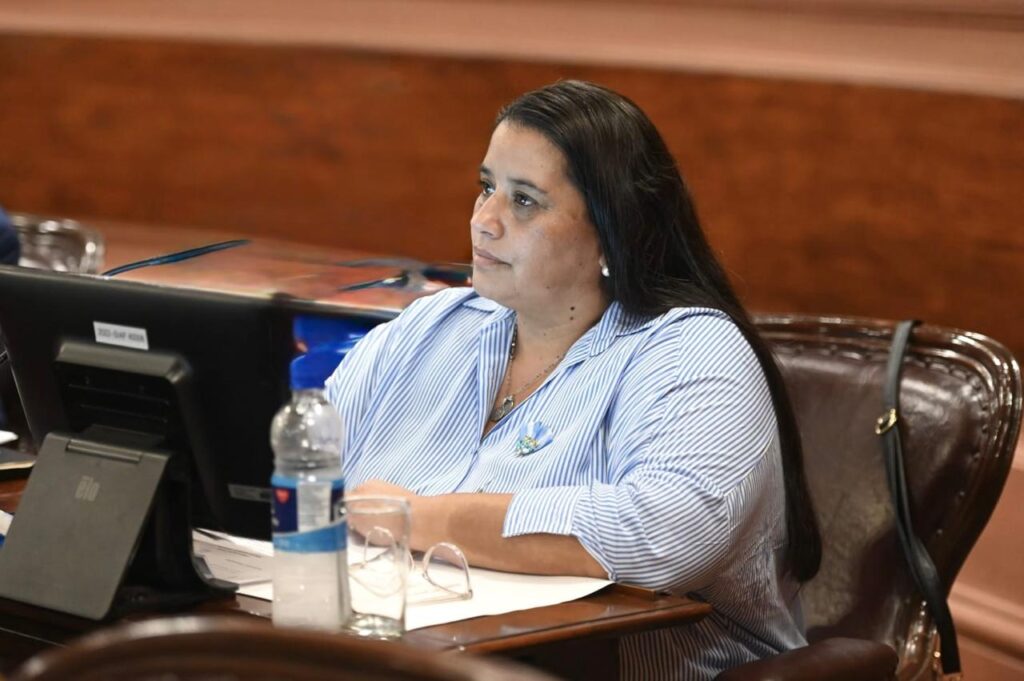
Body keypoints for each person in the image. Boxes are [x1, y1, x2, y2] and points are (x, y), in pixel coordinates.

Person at [326, 80, 821, 680]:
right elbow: (297, 476)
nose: (483, 221)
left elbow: (668, 534)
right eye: (486, 187)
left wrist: (422, 519)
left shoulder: (691, 349)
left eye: (524, 201)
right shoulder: (429, 328)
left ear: (613, 234)